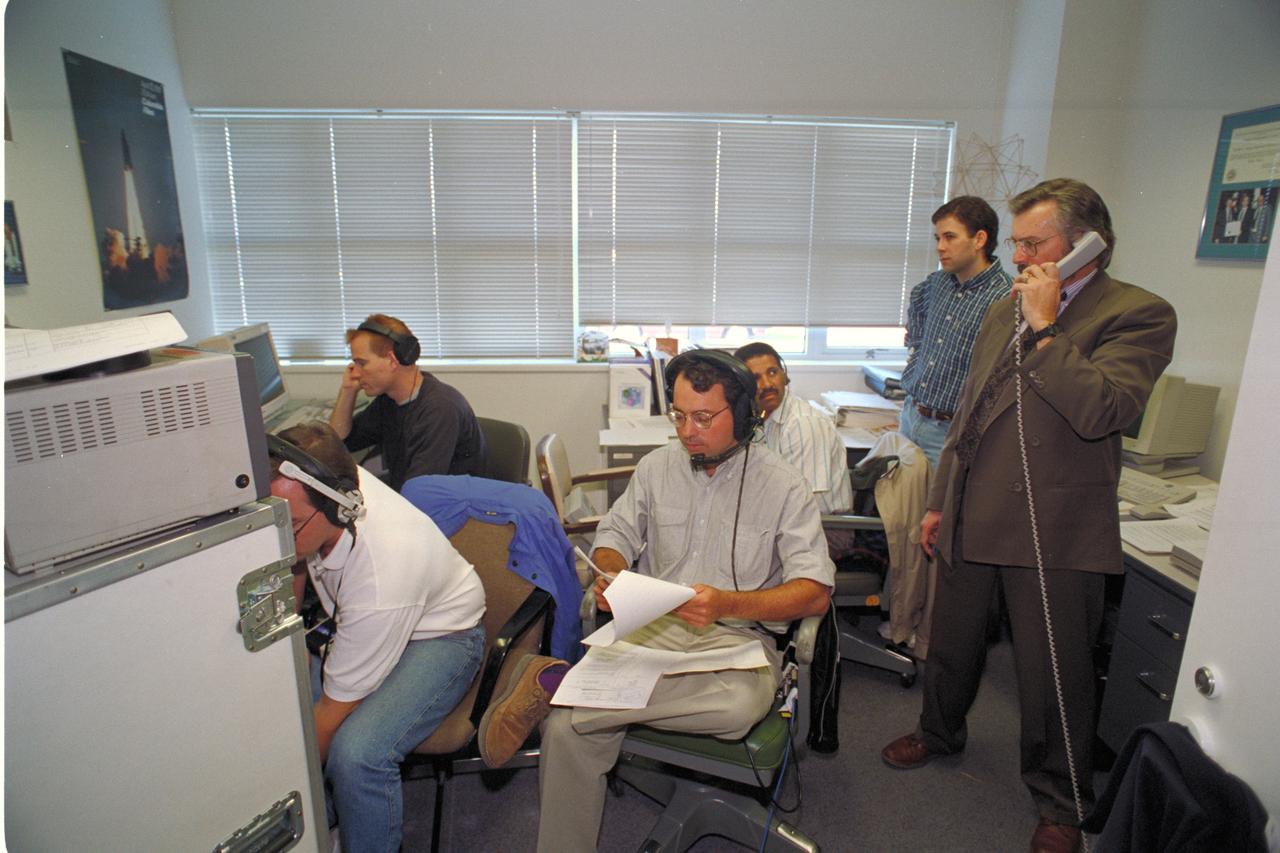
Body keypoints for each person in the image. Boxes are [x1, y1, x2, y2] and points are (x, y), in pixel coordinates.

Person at [880, 179, 1177, 853]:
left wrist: (1047, 325)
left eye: (1032, 242)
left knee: (1052, 671)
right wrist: (938, 501)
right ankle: (939, 729)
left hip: (1055, 525)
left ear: (1085, 243)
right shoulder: (1003, 308)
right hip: (972, 506)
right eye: (1014, 242)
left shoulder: (1139, 313)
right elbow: (970, 412)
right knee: (951, 642)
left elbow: (1104, 407)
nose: (1018, 257)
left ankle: (1060, 800)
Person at [476, 349, 835, 852]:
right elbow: (614, 534)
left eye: (704, 418)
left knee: (738, 707)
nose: (688, 430)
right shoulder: (657, 468)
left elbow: (815, 593)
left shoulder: (783, 486)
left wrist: (728, 603)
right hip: (653, 632)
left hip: (736, 643)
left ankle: (562, 686)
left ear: (745, 415)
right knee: (564, 734)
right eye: (680, 416)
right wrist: (614, 571)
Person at [268, 423, 488, 853]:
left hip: (443, 637)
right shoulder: (326, 479)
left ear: (340, 508)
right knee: (285, 707)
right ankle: (324, 820)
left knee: (356, 756)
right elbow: (289, 563)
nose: (280, 538)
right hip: (373, 620)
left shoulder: (380, 576)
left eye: (290, 526)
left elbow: (332, 714)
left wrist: (282, 789)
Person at [898, 195, 1013, 466]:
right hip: (912, 416)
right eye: (937, 238)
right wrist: (914, 370)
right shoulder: (936, 284)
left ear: (979, 239)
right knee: (901, 505)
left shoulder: (1006, 298)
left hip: (952, 433)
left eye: (950, 237)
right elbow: (915, 334)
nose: (940, 247)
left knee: (943, 508)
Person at [329, 313, 487, 490]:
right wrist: (348, 391)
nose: (355, 373)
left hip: (444, 510)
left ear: (392, 360)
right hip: (409, 497)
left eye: (361, 363)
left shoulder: (439, 409)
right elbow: (340, 442)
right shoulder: (389, 400)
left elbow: (420, 494)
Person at [732, 341, 852, 515]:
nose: (767, 384)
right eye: (756, 378)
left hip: (826, 525)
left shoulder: (803, 424)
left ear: (784, 375)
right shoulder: (761, 416)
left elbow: (802, 503)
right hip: (787, 516)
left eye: (772, 372)